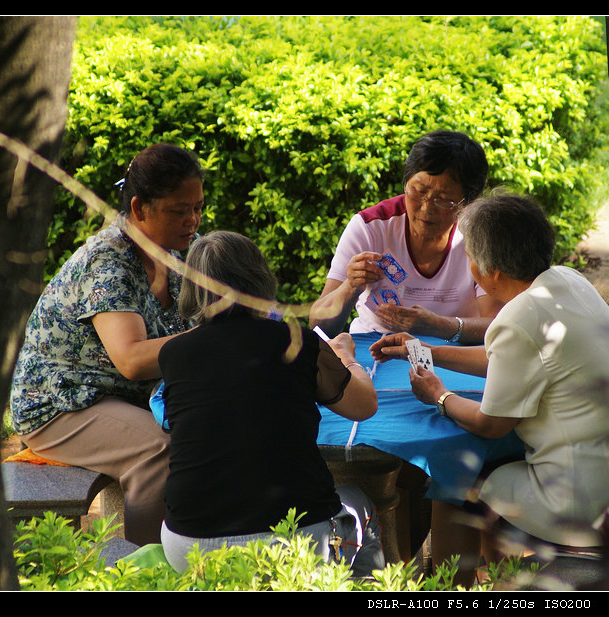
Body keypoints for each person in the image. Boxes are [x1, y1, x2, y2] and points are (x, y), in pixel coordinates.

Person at [371, 192, 609, 586]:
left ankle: (454, 588)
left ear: (491, 269)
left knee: (454, 483)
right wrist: (427, 351)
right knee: (485, 469)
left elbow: (491, 424)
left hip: (576, 499)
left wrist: (440, 397)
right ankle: (500, 576)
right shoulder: (567, 281)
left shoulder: (518, 317)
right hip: (598, 472)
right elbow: (510, 359)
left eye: (469, 258)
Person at [9, 143, 204, 545]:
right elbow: (131, 359)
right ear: (138, 209)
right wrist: (215, 340)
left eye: (198, 207)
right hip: (59, 403)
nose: (192, 220)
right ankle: (145, 573)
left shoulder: (179, 252)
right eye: (178, 210)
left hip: (117, 397)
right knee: (159, 449)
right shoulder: (109, 260)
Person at [156, 230, 381, 573]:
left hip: (189, 544)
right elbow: (363, 406)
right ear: (260, 278)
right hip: (292, 543)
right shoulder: (296, 342)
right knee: (361, 502)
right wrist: (346, 356)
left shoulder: (173, 353)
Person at [310, 130, 503, 343]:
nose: (426, 208)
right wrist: (349, 287)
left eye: (444, 199)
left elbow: (496, 326)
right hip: (375, 347)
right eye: (418, 191)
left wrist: (437, 326)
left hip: (456, 353)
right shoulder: (371, 227)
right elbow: (318, 326)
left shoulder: (480, 236)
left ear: (468, 201)